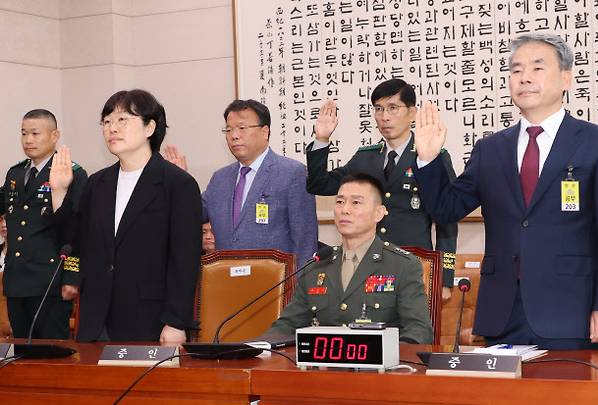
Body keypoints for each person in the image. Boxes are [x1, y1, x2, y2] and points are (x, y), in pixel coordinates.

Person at [412, 33, 598, 349]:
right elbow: (446, 208)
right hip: (502, 312)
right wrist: (428, 159)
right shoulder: (490, 148)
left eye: (537, 68)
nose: (524, 77)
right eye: (516, 70)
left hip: (571, 311)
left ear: (566, 78)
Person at [50, 89, 202, 343]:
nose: (112, 128)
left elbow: (184, 260)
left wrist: (175, 321)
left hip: (149, 318)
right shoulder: (98, 182)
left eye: (123, 120)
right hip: (96, 318)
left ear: (149, 127)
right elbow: (73, 242)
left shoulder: (177, 184)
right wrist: (59, 192)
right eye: (107, 122)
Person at [307, 79, 458, 300]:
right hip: (366, 267)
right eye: (379, 109)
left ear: (413, 113)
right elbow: (319, 184)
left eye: (393, 108)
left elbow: (447, 221)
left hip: (414, 265)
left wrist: (444, 279)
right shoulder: (365, 157)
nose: (385, 117)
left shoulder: (433, 156)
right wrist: (321, 139)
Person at [268, 173, 433, 344]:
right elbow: (286, 327)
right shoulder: (317, 265)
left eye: (356, 202)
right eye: (340, 202)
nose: (345, 210)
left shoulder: (402, 265)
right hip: (324, 367)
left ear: (379, 213)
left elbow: (419, 332)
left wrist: (388, 356)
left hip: (379, 367)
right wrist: (254, 347)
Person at [164, 99, 318, 265]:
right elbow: (190, 214)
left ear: (265, 132)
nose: (234, 136)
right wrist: (178, 181)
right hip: (227, 282)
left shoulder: (292, 173)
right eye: (228, 130)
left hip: (276, 285)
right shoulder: (220, 179)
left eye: (242, 128)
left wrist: (300, 287)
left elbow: (305, 241)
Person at [0, 109, 87, 339]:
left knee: (52, 356)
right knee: (19, 354)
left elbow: (77, 229)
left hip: (49, 280)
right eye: (24, 133)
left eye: (35, 133)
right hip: (17, 279)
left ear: (54, 135)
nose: (28, 140)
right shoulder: (15, 173)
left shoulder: (72, 173)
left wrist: (71, 277)